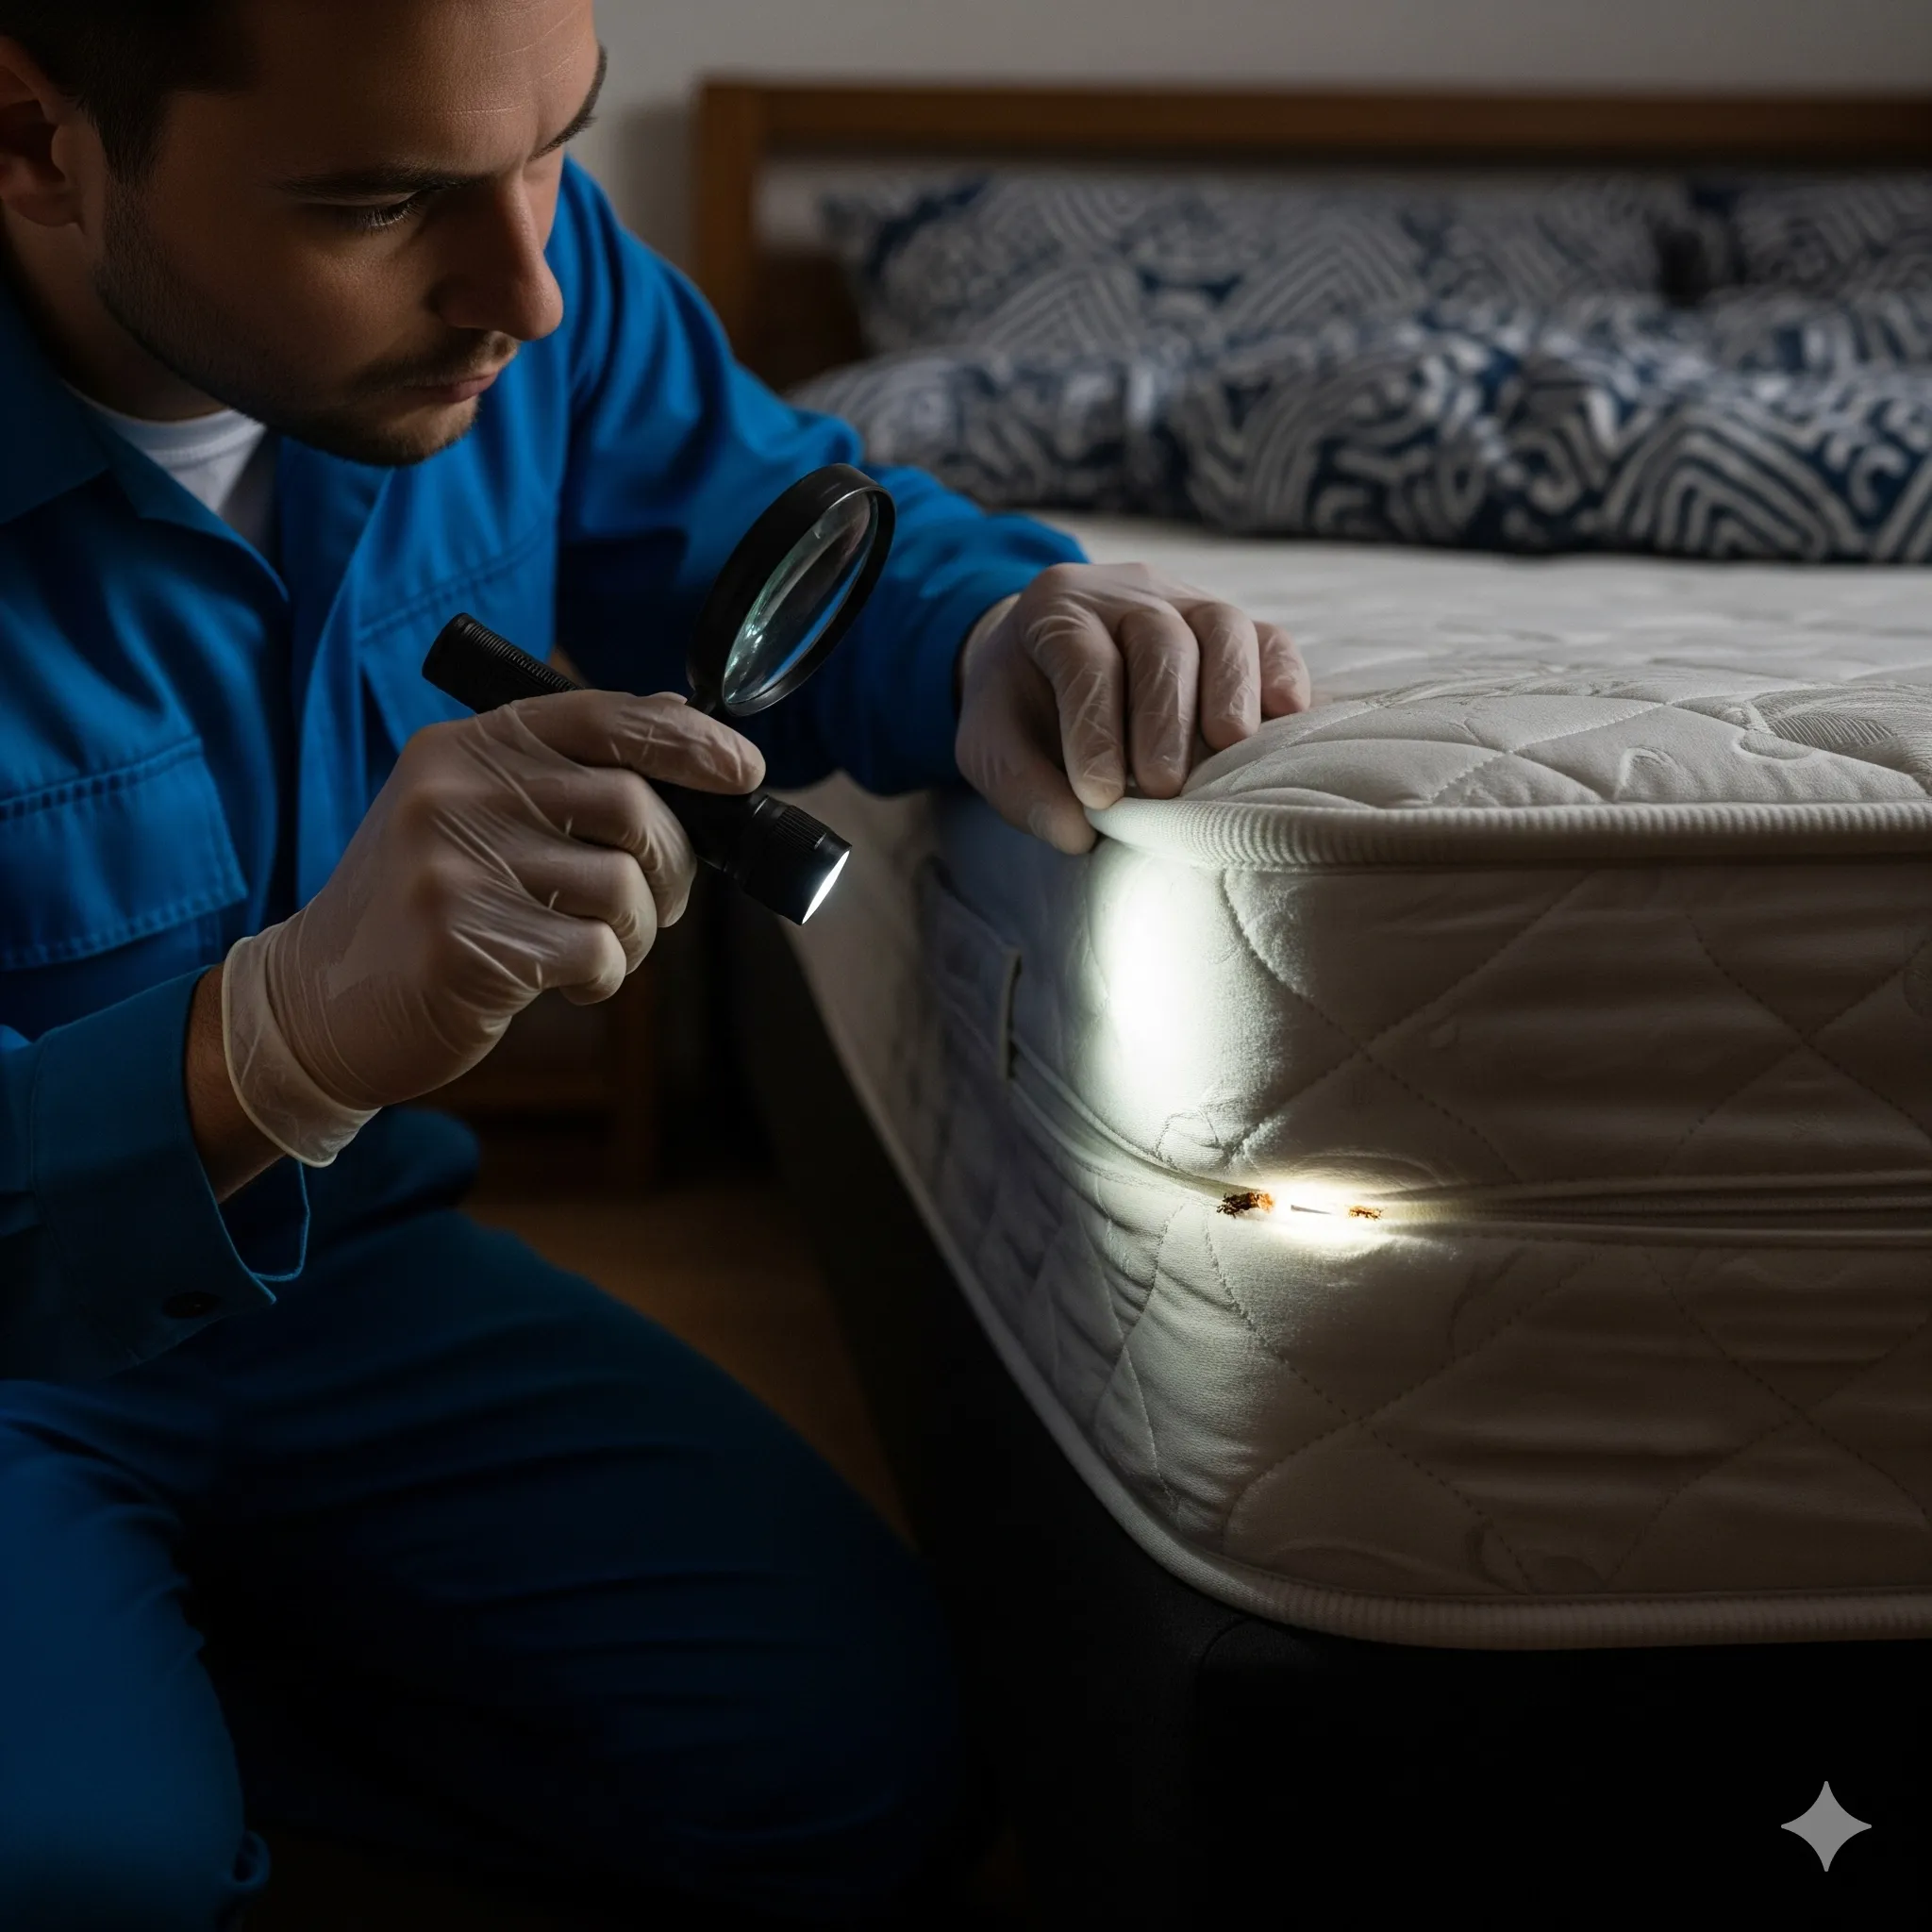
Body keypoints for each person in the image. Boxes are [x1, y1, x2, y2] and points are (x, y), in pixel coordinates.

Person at [0, 2, 1310, 1924]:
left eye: (557, 148)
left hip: (340, 1275)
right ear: (34, 133)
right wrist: (264, 1042)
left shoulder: (535, 293)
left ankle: (155, 1699)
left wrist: (1006, 639)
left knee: (859, 1775)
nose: (522, 293)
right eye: (378, 202)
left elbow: (792, 542)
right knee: (89, 1879)